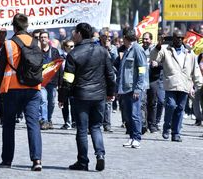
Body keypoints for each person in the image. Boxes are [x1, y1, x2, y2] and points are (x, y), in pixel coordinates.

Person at [59, 23, 116, 171]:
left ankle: (83, 162)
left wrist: (62, 97)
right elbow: (110, 74)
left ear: (79, 34)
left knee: (82, 130)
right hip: (99, 96)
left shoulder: (74, 54)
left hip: (81, 96)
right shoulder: (102, 51)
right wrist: (111, 93)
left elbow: (68, 79)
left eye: (74, 33)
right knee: (96, 127)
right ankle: (100, 155)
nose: (73, 35)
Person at [0, 14, 43, 171]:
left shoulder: (9, 44)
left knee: (8, 125)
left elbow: (1, 68)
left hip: (12, 88)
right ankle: (37, 160)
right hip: (33, 89)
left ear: (14, 27)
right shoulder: (36, 43)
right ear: (27, 26)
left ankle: (7, 161)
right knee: (33, 124)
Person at [150, 30, 203, 142]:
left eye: (181, 38)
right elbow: (154, 58)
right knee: (170, 105)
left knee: (180, 109)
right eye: (176, 37)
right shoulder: (165, 49)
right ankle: (166, 127)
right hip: (171, 84)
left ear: (183, 38)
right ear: (173, 38)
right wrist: (158, 46)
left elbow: (195, 69)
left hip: (184, 84)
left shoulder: (189, 52)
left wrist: (199, 84)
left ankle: (176, 133)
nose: (179, 40)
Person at [117, 28, 148, 149]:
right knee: (128, 115)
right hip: (125, 88)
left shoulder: (137, 49)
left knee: (135, 114)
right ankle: (131, 136)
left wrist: (138, 88)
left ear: (125, 37)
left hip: (134, 88)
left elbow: (142, 70)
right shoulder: (127, 50)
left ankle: (137, 138)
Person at [39, 30, 62, 130]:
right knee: (43, 100)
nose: (43, 39)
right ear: (39, 39)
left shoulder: (54, 51)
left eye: (45, 37)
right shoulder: (37, 51)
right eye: (41, 37)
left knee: (51, 102)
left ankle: (49, 119)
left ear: (48, 39)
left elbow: (59, 66)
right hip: (41, 81)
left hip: (52, 81)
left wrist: (60, 82)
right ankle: (43, 120)